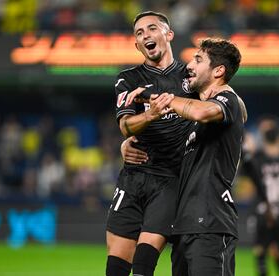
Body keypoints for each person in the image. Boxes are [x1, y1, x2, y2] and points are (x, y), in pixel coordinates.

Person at [140, 38, 245, 275]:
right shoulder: (199, 119)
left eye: (198, 59)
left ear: (219, 71)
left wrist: (156, 97)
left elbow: (201, 111)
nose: (189, 65)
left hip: (210, 222)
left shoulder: (225, 100)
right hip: (184, 225)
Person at [105, 11, 196, 276]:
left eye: (152, 29)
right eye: (139, 33)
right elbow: (125, 126)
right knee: (115, 267)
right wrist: (151, 114)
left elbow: (217, 105)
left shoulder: (191, 77)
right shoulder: (128, 79)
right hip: (132, 178)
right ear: (137, 45)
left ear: (168, 35)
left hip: (170, 180)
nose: (146, 35)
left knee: (144, 264)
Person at [243, 126, 279, 276]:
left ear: (264, 140)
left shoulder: (259, 158)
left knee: (260, 250)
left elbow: (248, 174)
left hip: (265, 210)